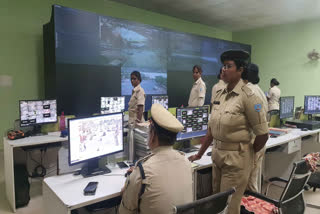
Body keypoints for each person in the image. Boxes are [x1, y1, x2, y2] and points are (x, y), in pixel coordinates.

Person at [189, 50, 269, 214]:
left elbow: (262, 134)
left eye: (229, 66)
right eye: (223, 66)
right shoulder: (219, 94)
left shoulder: (249, 97)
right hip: (217, 157)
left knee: (229, 208)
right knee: (218, 205)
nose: (224, 69)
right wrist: (199, 154)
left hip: (236, 161)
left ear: (240, 70)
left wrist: (248, 155)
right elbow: (211, 130)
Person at [119, 104, 193, 214]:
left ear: (153, 135)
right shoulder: (186, 162)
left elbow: (125, 211)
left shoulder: (143, 171)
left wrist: (131, 179)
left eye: (148, 130)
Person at [242, 63, 268, 192]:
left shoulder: (248, 91)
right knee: (253, 179)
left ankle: (251, 210)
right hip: (260, 141)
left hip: (253, 141)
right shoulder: (260, 90)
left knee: (247, 184)